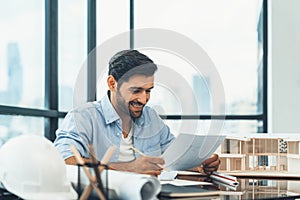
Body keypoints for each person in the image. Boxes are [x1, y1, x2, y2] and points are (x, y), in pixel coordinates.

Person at [54, 49, 220, 175]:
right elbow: (64, 161)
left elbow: (174, 156)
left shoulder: (151, 118)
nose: (143, 99)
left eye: (148, 91)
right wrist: (127, 169)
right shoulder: (83, 117)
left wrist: (199, 164)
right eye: (136, 90)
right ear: (112, 83)